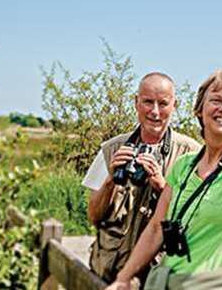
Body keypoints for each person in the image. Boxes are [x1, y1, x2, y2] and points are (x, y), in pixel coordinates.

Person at [106, 69, 222, 290]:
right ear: (200, 110)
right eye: (216, 100)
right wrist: (123, 278)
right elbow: (156, 228)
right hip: (169, 281)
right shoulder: (183, 165)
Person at [83, 72, 201, 285]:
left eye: (163, 103)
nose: (155, 112)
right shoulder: (112, 149)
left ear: (175, 105)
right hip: (109, 276)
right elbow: (93, 216)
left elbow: (197, 222)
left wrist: (162, 187)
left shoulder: (192, 154)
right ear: (136, 103)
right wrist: (110, 181)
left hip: (160, 280)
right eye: (147, 102)